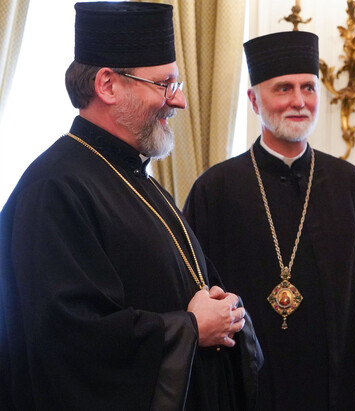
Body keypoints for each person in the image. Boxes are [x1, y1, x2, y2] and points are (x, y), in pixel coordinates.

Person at [0, 2, 262, 410]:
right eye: (165, 84)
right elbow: (67, 345)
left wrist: (223, 311)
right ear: (107, 85)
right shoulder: (53, 189)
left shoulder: (137, 178)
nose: (179, 103)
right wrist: (190, 328)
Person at [183, 31, 355, 410]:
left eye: (308, 88)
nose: (299, 102)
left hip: (337, 392)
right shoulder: (213, 192)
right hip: (249, 392)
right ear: (254, 100)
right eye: (283, 89)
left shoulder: (353, 187)